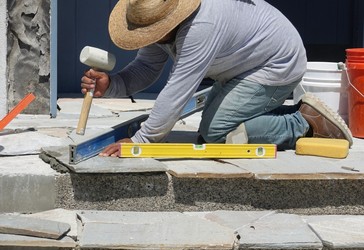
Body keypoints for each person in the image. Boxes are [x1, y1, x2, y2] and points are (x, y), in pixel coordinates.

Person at [81, 0, 352, 157]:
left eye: (149, 33)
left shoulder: (200, 27)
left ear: (168, 23)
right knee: (216, 125)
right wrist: (113, 84)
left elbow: (178, 91)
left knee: (216, 134)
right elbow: (147, 68)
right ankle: (291, 113)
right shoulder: (162, 17)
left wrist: (142, 141)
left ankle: (301, 122)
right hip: (243, 65)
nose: (146, 39)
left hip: (276, 64)